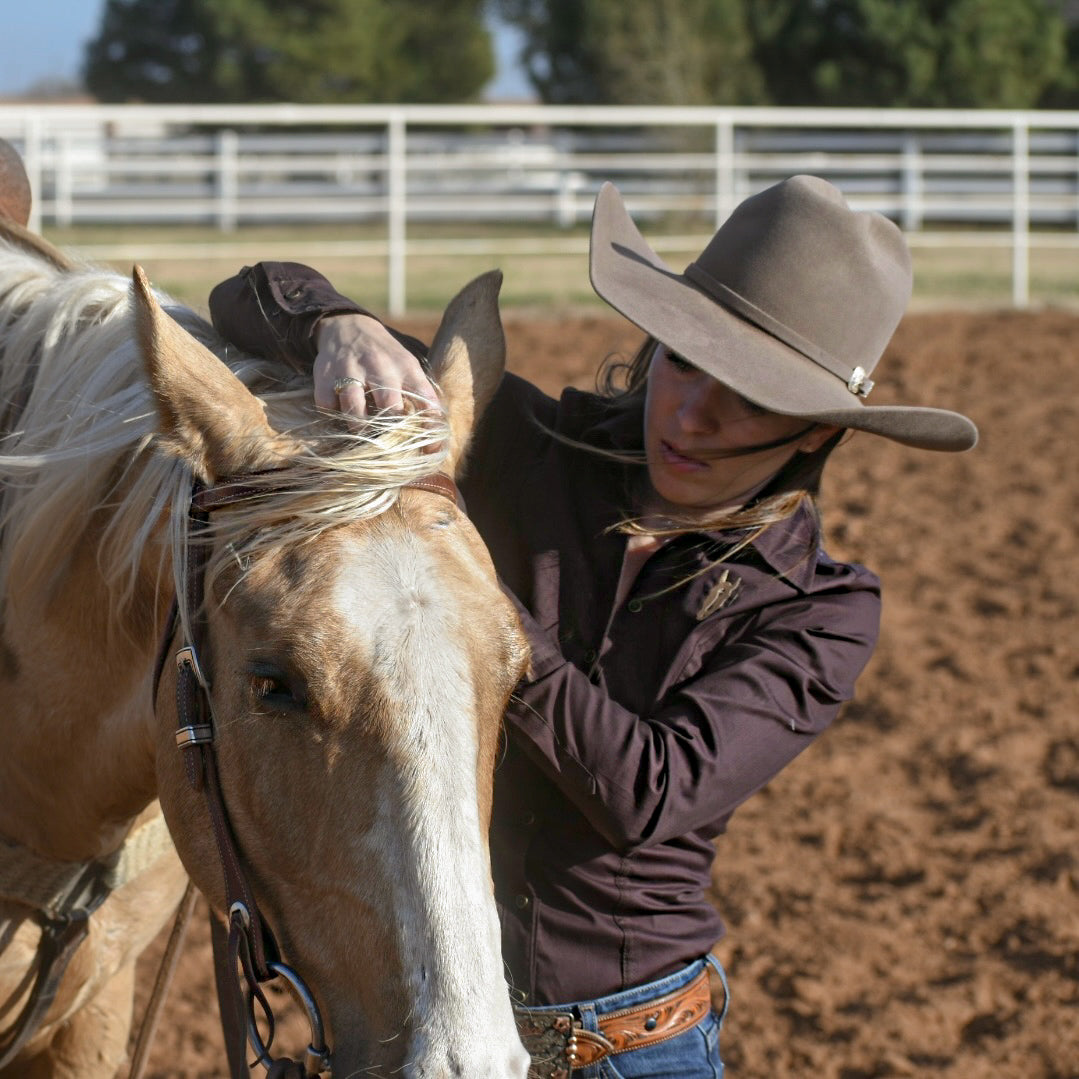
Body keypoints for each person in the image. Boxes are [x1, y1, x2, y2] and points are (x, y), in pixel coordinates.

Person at [209, 175, 977, 1079]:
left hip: (633, 1046)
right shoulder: (515, 436)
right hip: (426, 1019)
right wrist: (342, 325)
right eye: (684, 361)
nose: (690, 416)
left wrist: (478, 615)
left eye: (750, 399)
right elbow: (247, 294)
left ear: (815, 433)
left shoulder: (820, 610)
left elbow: (645, 790)